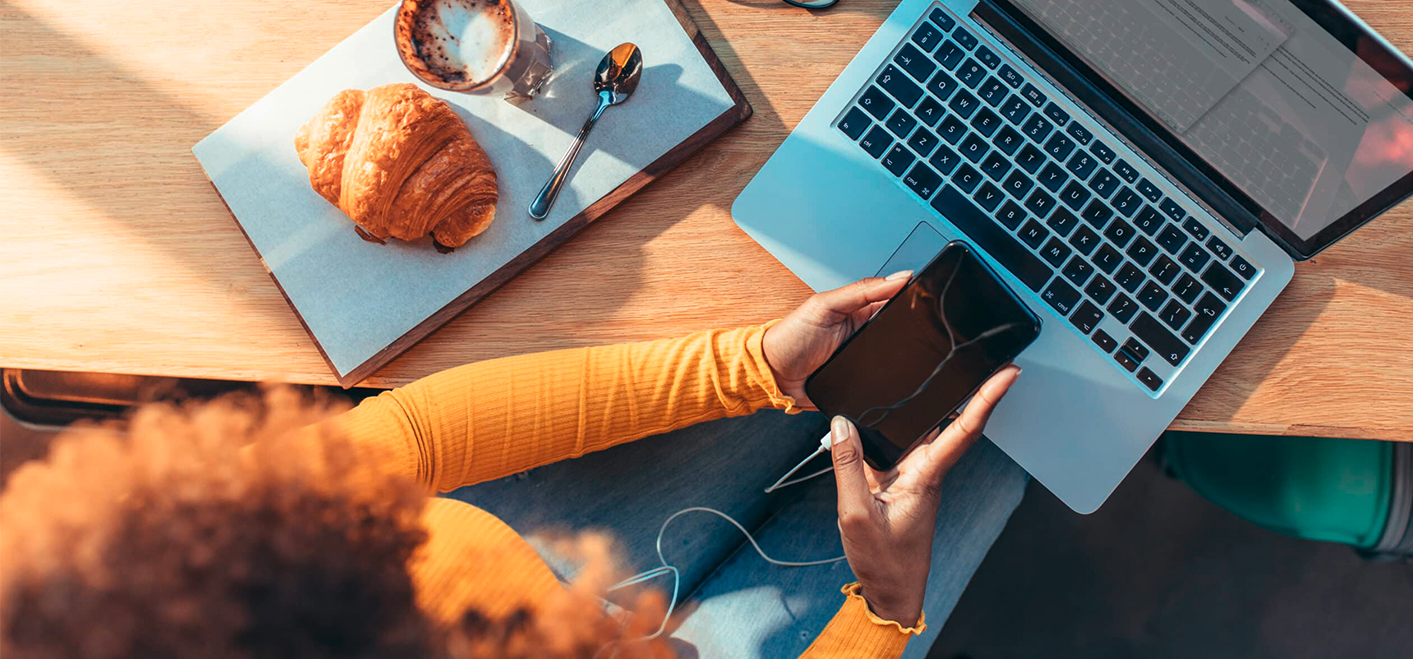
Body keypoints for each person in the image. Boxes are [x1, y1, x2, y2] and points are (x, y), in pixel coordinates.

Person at [0, 273, 1028, 659]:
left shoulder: (170, 588)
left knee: (866, 355)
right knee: (1000, 445)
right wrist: (885, 609)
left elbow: (420, 440)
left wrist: (741, 364)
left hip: (525, 540)